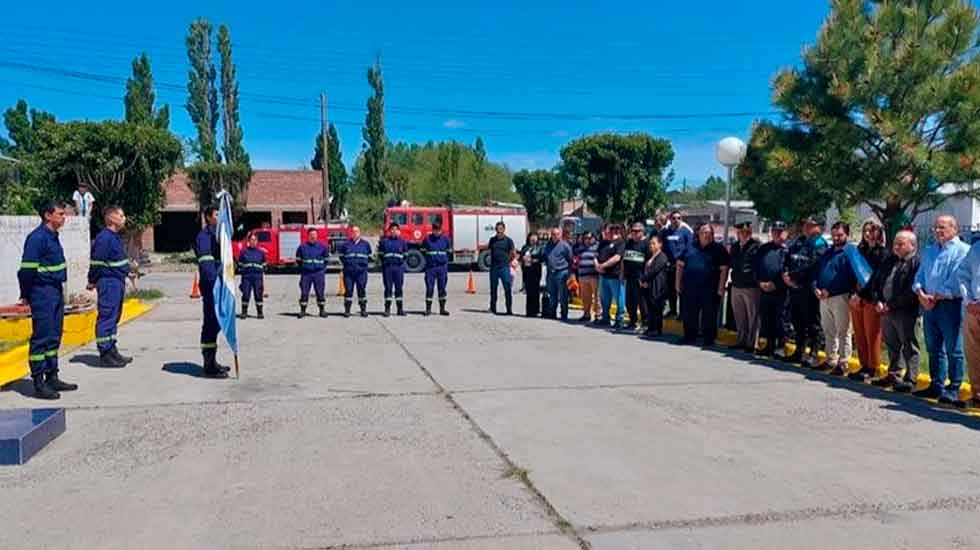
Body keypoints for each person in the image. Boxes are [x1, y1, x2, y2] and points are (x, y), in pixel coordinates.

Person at [18, 200, 77, 399]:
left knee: (54, 335)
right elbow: (26, 271)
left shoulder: (53, 236)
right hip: (41, 292)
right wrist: (26, 294)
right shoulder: (37, 238)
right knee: (41, 338)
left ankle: (52, 376)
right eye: (60, 213)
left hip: (54, 291)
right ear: (47, 215)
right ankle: (38, 382)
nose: (64, 217)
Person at [913, 215, 970, 404]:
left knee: (954, 348)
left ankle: (953, 387)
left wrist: (937, 295)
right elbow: (919, 275)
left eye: (942, 227)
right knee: (933, 347)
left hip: (950, 304)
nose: (937, 231)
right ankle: (936, 384)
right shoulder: (929, 251)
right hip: (928, 304)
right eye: (935, 227)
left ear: (955, 229)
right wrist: (921, 293)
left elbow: (957, 278)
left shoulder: (963, 250)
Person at [870, 230, 921, 392]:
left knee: (909, 345)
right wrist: (878, 300)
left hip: (905, 311)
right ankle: (893, 374)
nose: (896, 247)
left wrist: (890, 304)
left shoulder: (916, 263)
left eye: (901, 244)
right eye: (895, 243)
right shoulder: (889, 261)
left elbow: (911, 290)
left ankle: (911, 378)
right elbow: (877, 282)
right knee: (892, 345)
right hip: (885, 310)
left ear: (912, 245)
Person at [88, 205, 133, 368]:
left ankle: (112, 349)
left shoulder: (114, 237)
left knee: (114, 317)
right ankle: (105, 353)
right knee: (106, 317)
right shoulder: (104, 238)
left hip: (117, 281)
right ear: (111, 218)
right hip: (108, 282)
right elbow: (97, 262)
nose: (124, 218)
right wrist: (92, 280)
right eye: (121, 215)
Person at [782, 217, 828, 367]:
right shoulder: (799, 241)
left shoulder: (820, 244)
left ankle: (813, 353)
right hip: (795, 289)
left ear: (819, 228)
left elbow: (811, 264)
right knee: (797, 322)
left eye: (810, 225)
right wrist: (786, 274)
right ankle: (799, 351)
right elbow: (788, 258)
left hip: (809, 290)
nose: (806, 227)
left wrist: (793, 276)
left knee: (812, 323)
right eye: (805, 224)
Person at [812, 222, 857, 375]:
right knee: (828, 330)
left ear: (847, 235)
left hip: (840, 297)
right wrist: (816, 287)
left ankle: (843, 363)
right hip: (823, 298)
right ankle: (831, 359)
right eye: (834, 235)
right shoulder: (827, 252)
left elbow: (848, 278)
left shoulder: (850, 252)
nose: (836, 238)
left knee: (843, 332)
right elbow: (817, 271)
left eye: (840, 235)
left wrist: (829, 290)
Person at [676, 224, 730, 346]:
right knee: (689, 313)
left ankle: (709, 338)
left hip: (710, 289)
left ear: (713, 235)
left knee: (709, 315)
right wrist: (677, 283)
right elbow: (679, 265)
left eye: (709, 233)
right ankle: (689, 336)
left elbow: (724, 269)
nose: (707, 235)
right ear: (699, 234)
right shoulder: (690, 247)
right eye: (704, 232)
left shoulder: (719, 249)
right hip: (690, 288)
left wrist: (721, 287)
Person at [848, 220, 888, 381]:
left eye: (872, 230)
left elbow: (877, 278)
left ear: (879, 232)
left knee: (872, 334)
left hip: (871, 298)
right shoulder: (859, 251)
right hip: (856, 298)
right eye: (866, 231)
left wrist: (861, 295)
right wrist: (853, 294)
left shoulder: (883, 253)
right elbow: (852, 274)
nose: (869, 234)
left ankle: (873, 367)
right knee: (859, 334)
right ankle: (863, 365)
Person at [194, 206, 229, 377]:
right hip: (211, 285)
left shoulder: (218, 236)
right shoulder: (204, 237)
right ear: (208, 217)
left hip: (220, 284)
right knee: (210, 322)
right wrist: (215, 283)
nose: (219, 217)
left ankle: (213, 360)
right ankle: (208, 365)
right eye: (216, 215)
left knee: (217, 322)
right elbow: (206, 263)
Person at [755, 221, 790, 356]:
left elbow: (789, 271)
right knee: (767, 318)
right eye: (774, 231)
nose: (777, 233)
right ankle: (769, 346)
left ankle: (781, 347)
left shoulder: (788, 250)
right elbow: (756, 268)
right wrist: (760, 283)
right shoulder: (763, 249)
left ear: (786, 233)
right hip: (765, 290)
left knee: (781, 320)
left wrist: (777, 284)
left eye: (780, 231)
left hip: (782, 291)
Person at [728, 220, 761, 352]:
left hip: (751, 286)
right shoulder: (735, 246)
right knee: (739, 315)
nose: (742, 234)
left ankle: (751, 343)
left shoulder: (756, 246)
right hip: (736, 284)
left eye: (745, 232)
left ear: (750, 233)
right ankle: (741, 340)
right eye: (740, 232)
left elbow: (758, 265)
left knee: (752, 316)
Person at [958, 234, 980, 408]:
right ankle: (977, 395)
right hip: (973, 309)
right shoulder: (976, 248)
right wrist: (969, 301)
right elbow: (963, 275)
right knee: (973, 354)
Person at [660, 210, 693, 318]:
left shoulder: (685, 232)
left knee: (681, 290)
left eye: (678, 218)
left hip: (682, 267)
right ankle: (673, 310)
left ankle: (682, 313)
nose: (676, 220)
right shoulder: (665, 232)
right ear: (670, 219)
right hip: (669, 266)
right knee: (670, 291)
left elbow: (689, 248)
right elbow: (661, 246)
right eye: (673, 218)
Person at [596, 224, 626, 328]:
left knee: (618, 299)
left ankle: (619, 320)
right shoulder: (603, 242)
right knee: (604, 299)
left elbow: (617, 257)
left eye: (607, 230)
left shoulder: (620, 242)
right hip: (603, 276)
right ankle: (605, 318)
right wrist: (597, 265)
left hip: (615, 276)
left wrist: (603, 265)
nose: (604, 232)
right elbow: (596, 255)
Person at [338, 226, 372, 318]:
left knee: (361, 290)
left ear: (359, 232)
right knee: (348, 291)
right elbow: (341, 257)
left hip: (361, 272)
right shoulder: (345, 245)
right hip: (349, 272)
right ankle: (347, 311)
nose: (355, 233)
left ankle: (363, 310)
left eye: (356, 231)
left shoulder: (366, 244)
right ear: (351, 233)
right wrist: (348, 265)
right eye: (353, 231)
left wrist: (362, 265)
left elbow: (369, 256)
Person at [640, 235, 669, 337]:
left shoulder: (662, 256)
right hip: (648, 285)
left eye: (654, 243)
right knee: (650, 308)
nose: (651, 245)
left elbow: (654, 270)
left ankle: (657, 329)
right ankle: (650, 327)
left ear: (660, 244)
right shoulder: (650, 256)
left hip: (658, 286)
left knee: (657, 308)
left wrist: (643, 279)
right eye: (650, 243)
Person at [623, 222, 650, 331]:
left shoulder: (646, 244)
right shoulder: (629, 243)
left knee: (642, 303)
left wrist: (645, 278)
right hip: (629, 277)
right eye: (633, 231)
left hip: (640, 278)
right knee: (629, 302)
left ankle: (645, 323)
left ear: (642, 232)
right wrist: (622, 274)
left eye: (637, 231)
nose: (634, 233)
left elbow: (649, 263)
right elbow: (624, 259)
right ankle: (632, 321)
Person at [296, 227, 328, 318]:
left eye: (315, 235)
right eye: (311, 235)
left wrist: (321, 269)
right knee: (304, 292)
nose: (313, 236)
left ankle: (322, 311)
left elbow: (326, 260)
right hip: (306, 274)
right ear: (308, 236)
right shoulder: (302, 247)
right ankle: (303, 311)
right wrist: (305, 268)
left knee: (320, 292)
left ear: (317, 236)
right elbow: (298, 261)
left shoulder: (323, 247)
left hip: (318, 273)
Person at [544, 227, 574, 321]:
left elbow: (570, 259)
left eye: (557, 234)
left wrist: (570, 273)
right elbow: (545, 256)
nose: (555, 236)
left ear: (560, 235)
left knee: (563, 295)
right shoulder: (548, 245)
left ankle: (564, 314)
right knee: (552, 295)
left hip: (561, 272)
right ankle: (552, 313)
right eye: (553, 234)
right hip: (550, 273)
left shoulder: (565, 245)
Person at [378, 222, 408, 317]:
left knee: (399, 288)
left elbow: (406, 255)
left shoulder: (402, 242)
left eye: (396, 229)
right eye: (392, 230)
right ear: (389, 231)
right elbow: (381, 255)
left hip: (398, 268)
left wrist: (400, 262)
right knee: (388, 289)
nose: (394, 231)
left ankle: (400, 309)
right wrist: (386, 263)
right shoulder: (384, 242)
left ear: (398, 231)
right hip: (388, 268)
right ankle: (387, 309)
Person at [487, 221, 516, 315]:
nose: (499, 231)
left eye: (501, 229)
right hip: (494, 268)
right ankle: (493, 308)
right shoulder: (492, 240)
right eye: (497, 229)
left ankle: (509, 309)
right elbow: (490, 251)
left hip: (504, 268)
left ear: (504, 229)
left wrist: (509, 261)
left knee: (507, 289)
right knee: (493, 289)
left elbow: (513, 253)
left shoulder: (508, 241)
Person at [423, 221, 451, 316]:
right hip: (430, 268)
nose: (437, 232)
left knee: (442, 288)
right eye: (435, 230)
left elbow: (449, 251)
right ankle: (428, 309)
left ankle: (442, 309)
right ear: (432, 230)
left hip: (442, 267)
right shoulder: (427, 239)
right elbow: (423, 250)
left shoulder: (446, 239)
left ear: (441, 230)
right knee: (430, 288)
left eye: (438, 230)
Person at [237, 233, 266, 320]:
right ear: (248, 241)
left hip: (257, 277)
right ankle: (244, 312)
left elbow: (264, 265)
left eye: (255, 240)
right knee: (246, 294)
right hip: (246, 277)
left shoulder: (261, 252)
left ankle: (260, 312)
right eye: (251, 240)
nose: (253, 242)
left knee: (258, 295)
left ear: (257, 241)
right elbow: (240, 264)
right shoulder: (243, 252)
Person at [575, 232, 601, 322]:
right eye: (585, 238)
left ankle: (598, 315)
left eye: (589, 238)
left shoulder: (598, 247)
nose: (587, 239)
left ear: (594, 238)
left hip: (594, 276)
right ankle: (586, 314)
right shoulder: (580, 248)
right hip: (582, 276)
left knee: (597, 297)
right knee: (585, 297)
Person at [520, 233, 544, 317]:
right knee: (528, 291)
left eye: (535, 237)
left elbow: (542, 257)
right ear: (529, 238)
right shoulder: (525, 247)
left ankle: (536, 310)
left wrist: (534, 260)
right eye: (531, 237)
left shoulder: (540, 247)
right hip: (527, 271)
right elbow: (521, 257)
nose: (533, 239)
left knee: (536, 291)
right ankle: (529, 310)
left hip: (536, 271)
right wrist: (523, 258)